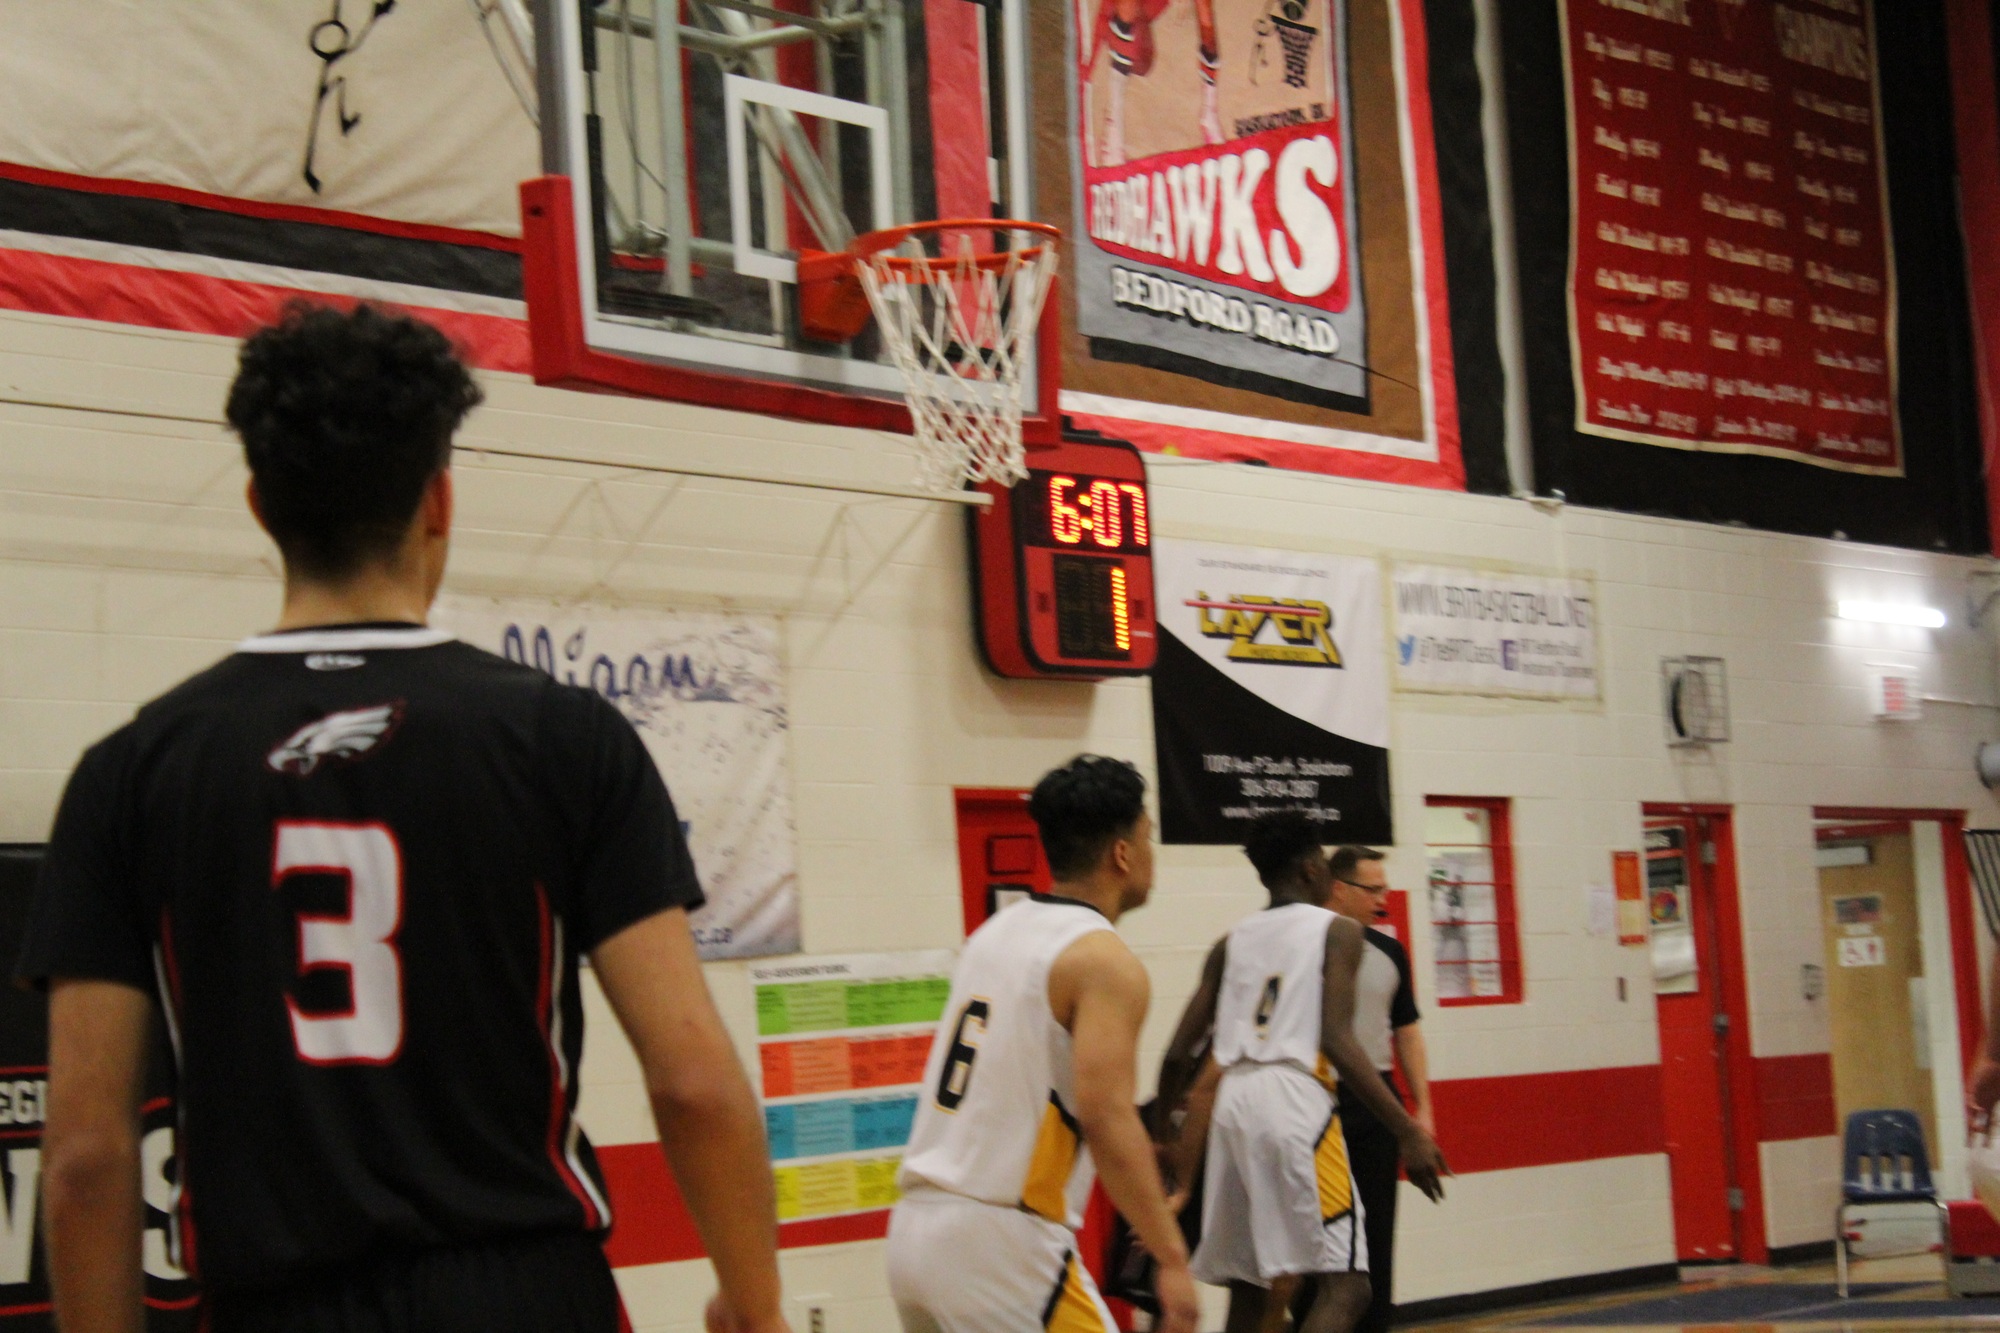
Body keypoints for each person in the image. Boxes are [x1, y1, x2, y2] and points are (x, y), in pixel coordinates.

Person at [19, 303, 788, 1333]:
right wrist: (756, 1307)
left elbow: (85, 1154)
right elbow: (692, 1080)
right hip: (521, 1295)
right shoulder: (564, 737)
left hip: (276, 1306)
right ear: (439, 499)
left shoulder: (128, 770)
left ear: (259, 504)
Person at [887, 755, 1201, 1333]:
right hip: (999, 1245)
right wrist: (1171, 1255)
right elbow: (1106, 1115)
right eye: (1148, 837)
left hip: (914, 1232)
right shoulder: (1103, 961)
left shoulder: (992, 935)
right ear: (1123, 853)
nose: (1151, 854)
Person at [1160, 812, 1446, 1333]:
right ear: (1314, 869)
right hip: (1294, 1097)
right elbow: (1336, 1037)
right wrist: (1406, 1129)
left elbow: (1177, 1055)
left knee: (1250, 1284)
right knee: (1348, 1285)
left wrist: (1162, 1134)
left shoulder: (1231, 941)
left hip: (1234, 1102)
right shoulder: (1338, 931)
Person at [1323, 846, 1432, 1333]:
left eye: (1384, 889)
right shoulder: (1306, 946)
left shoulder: (1390, 952)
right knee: (1321, 1240)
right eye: (1373, 890)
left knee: (1376, 1233)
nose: (1382, 899)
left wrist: (1422, 1110)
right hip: (1317, 1099)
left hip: (1377, 1106)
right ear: (1339, 889)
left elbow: (1406, 1031)